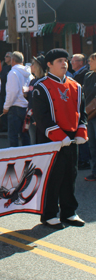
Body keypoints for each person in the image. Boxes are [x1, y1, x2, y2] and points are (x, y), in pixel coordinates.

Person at [32, 48, 87, 229]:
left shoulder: (76, 86)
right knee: (53, 177)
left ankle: (69, 212)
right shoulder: (41, 86)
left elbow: (82, 113)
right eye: (59, 61)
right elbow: (41, 117)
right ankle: (49, 214)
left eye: (65, 60)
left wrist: (80, 132)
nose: (64, 63)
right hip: (51, 139)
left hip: (71, 139)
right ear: (49, 64)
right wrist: (58, 136)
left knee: (70, 176)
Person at [3, 52, 32, 147]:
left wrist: (6, 107)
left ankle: (14, 157)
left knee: (13, 135)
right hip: (26, 107)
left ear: (13, 60)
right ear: (22, 61)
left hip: (15, 107)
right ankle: (27, 155)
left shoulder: (13, 73)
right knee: (25, 134)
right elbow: (30, 89)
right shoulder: (29, 74)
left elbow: (12, 92)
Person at [25, 55, 47, 145]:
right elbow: (31, 96)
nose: (31, 66)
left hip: (39, 117)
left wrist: (37, 119)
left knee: (38, 142)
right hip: (30, 115)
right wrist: (25, 93)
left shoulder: (44, 81)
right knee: (33, 140)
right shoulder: (33, 81)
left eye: (33, 64)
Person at [83, 53, 96, 181]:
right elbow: (84, 94)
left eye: (91, 60)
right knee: (92, 145)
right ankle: (95, 172)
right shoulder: (88, 76)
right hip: (90, 115)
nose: (88, 63)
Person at [0, 52, 12, 132]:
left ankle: (7, 126)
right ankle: (3, 126)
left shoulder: (12, 68)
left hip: (8, 93)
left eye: (7, 56)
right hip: (2, 92)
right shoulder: (5, 67)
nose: (5, 58)